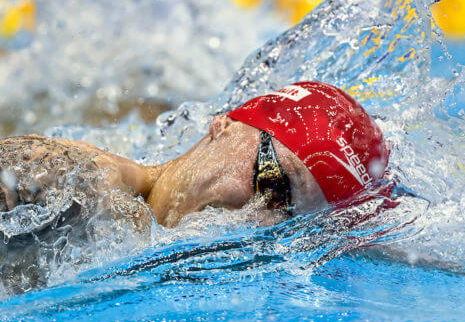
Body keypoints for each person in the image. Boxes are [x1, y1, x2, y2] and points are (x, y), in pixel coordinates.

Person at [0, 81, 390, 234]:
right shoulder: (76, 184)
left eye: (291, 224)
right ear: (224, 126)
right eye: (272, 183)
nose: (260, 223)